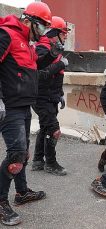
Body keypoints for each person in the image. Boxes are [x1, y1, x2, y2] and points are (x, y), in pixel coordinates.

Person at [0, 2, 52, 226]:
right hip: (10, 106)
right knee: (16, 156)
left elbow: (29, 73)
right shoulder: (7, 35)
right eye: (41, 26)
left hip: (24, 106)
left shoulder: (28, 44)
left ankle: (21, 192)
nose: (42, 32)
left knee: (24, 155)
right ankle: (1, 202)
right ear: (28, 20)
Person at [31, 16, 70, 176]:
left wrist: (60, 94)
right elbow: (41, 75)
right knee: (54, 130)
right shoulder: (42, 49)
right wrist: (61, 64)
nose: (66, 36)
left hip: (50, 96)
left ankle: (38, 161)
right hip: (41, 97)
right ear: (54, 33)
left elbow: (56, 78)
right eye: (63, 33)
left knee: (45, 127)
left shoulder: (55, 48)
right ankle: (51, 164)